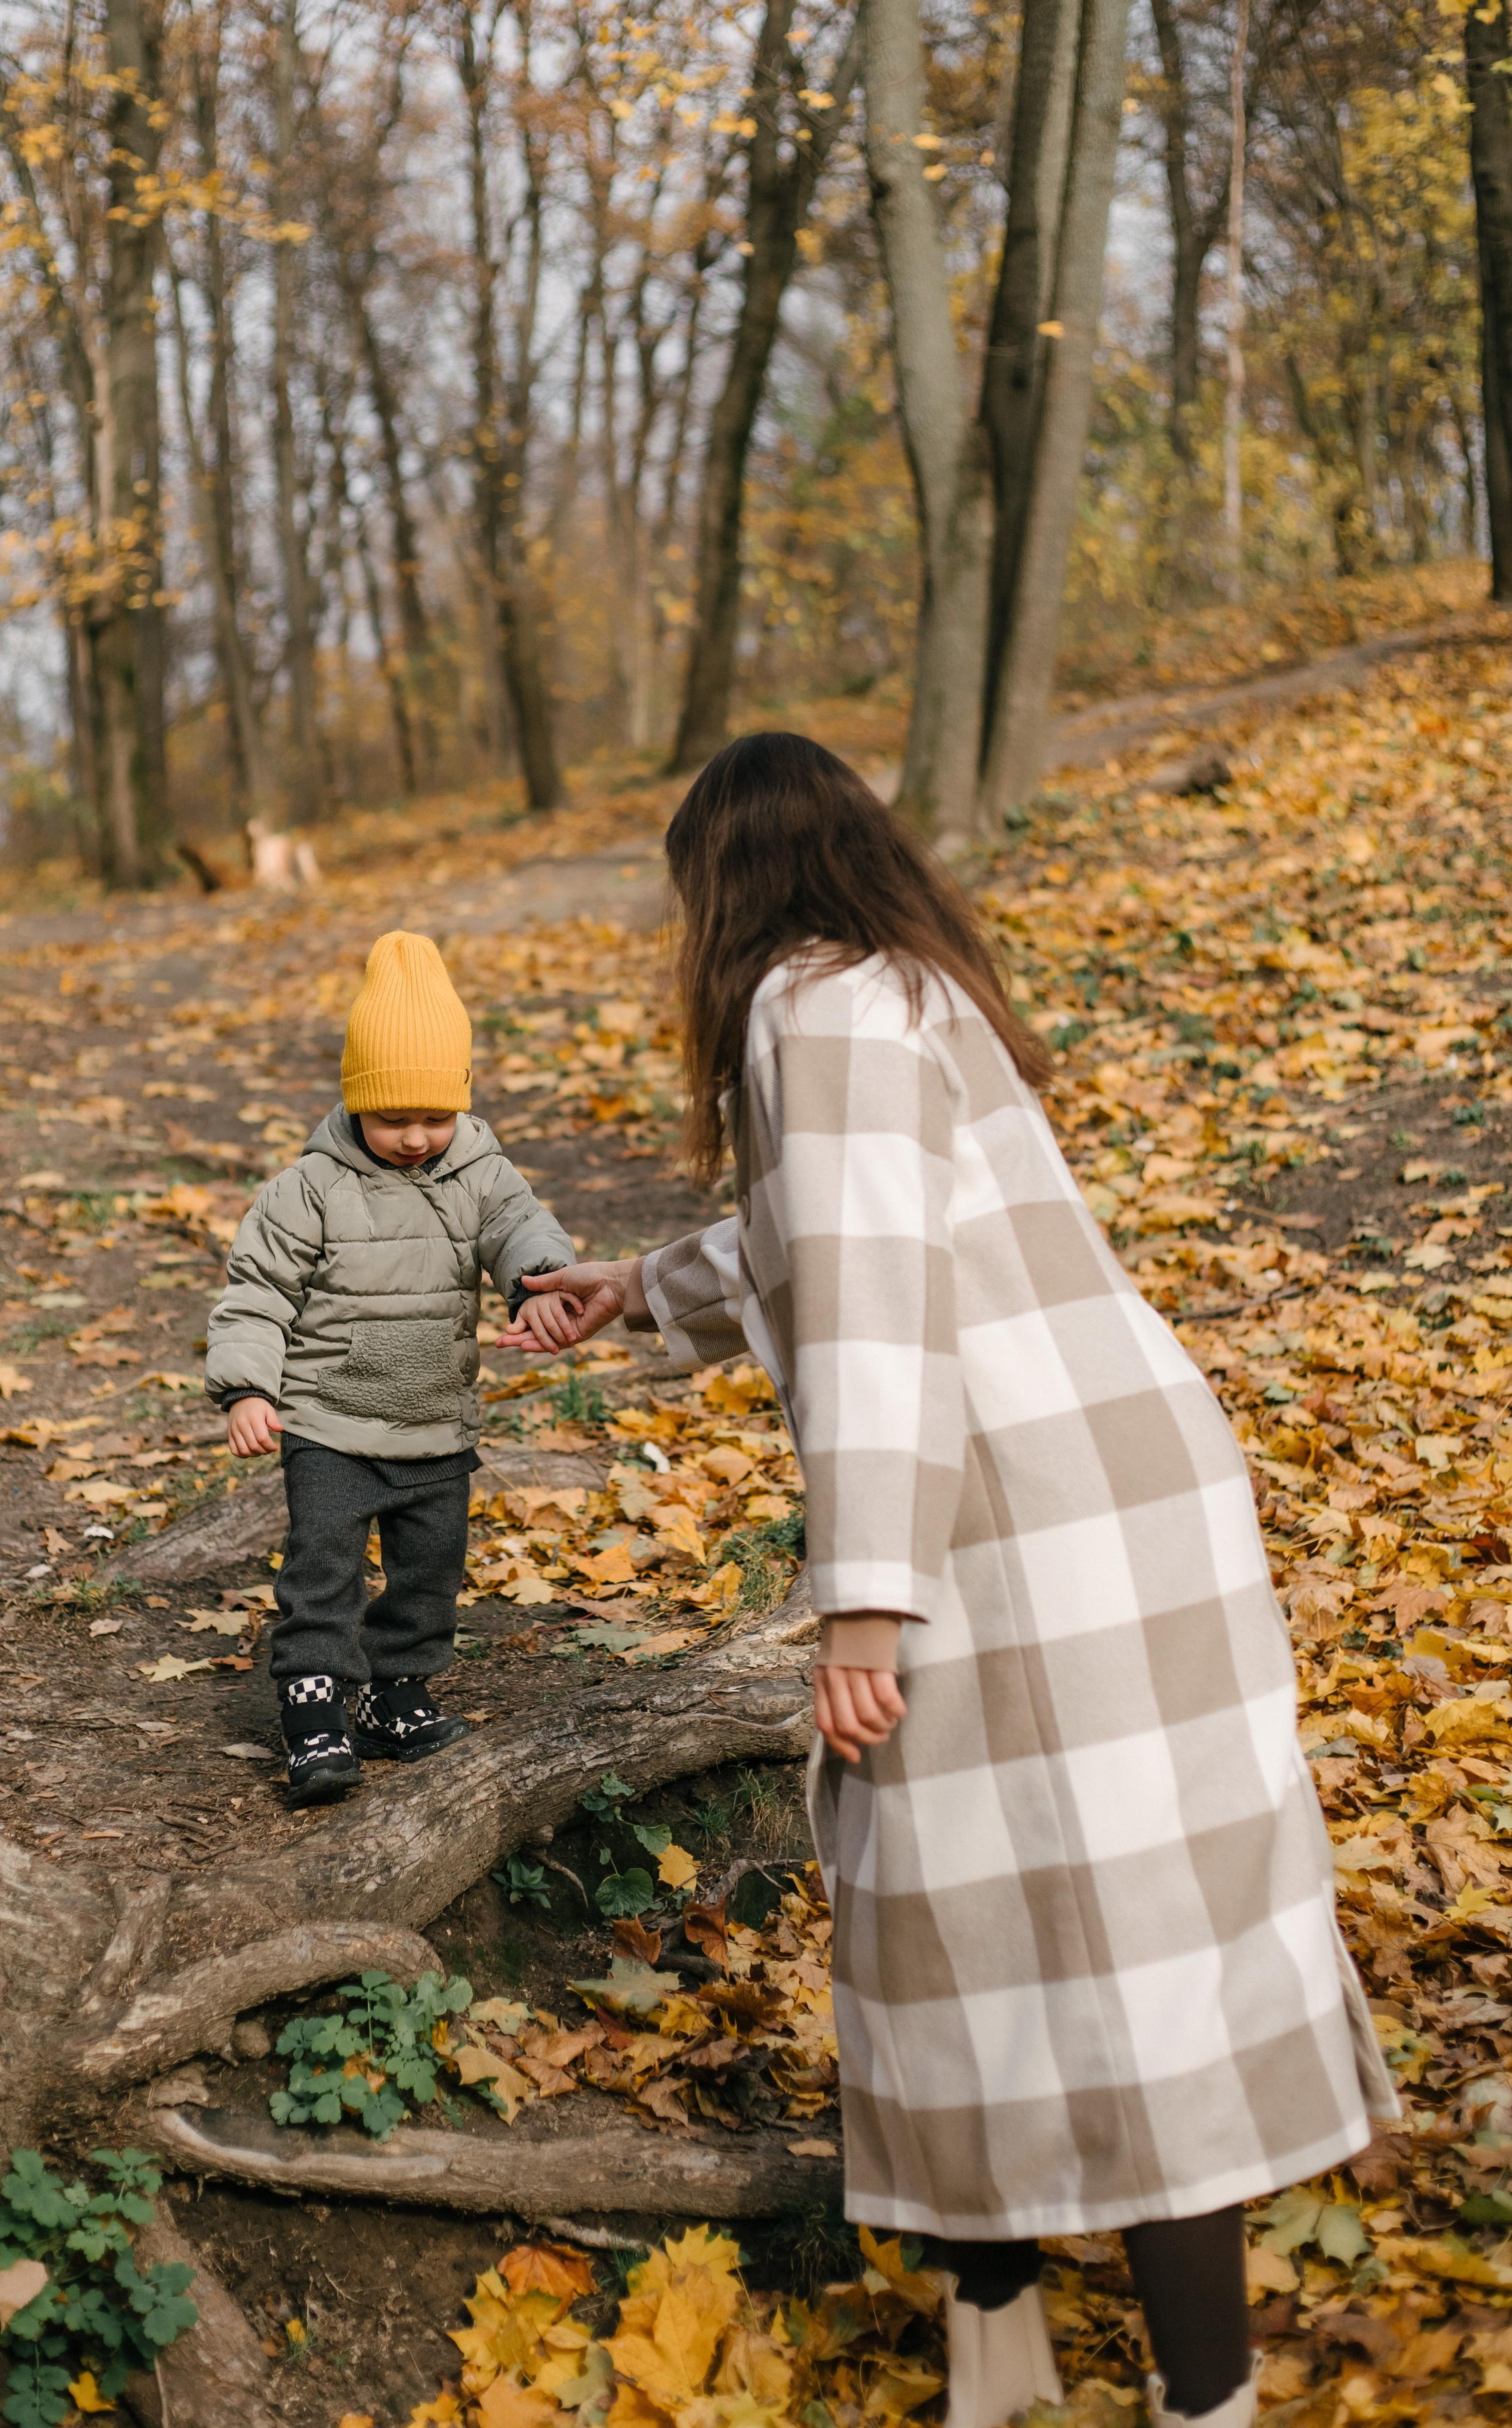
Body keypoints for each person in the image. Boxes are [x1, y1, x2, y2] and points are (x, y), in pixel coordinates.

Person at [500, 733, 1393, 2428]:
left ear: (725, 883)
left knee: (1025, 1933)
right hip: (1119, 1494)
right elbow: (841, 1239)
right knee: (1077, 1927)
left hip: (1014, 1524)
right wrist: (645, 1285)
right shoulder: (899, 981)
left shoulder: (800, 1007)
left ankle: (1162, 2391)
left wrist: (861, 1600)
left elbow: (871, 1308)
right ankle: (1026, 2361)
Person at [207, 929, 580, 1808]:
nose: (416, 1137)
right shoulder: (309, 1188)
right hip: (330, 1423)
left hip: (433, 1422)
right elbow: (256, 1286)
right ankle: (313, 1710)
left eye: (434, 1116)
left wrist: (536, 1285)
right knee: (324, 1565)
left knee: (430, 1570)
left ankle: (395, 1692)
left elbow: (518, 1231)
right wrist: (248, 1387)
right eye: (393, 1117)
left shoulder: (482, 1171)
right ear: (355, 1101)